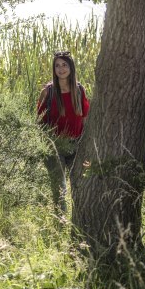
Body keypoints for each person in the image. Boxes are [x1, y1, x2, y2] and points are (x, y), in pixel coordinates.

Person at [37, 51, 89, 213]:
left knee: (79, 186)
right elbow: (39, 122)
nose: (61, 69)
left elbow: (85, 118)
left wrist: (85, 144)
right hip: (54, 146)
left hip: (76, 145)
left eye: (64, 65)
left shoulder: (79, 90)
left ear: (71, 67)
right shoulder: (48, 92)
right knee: (60, 189)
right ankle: (60, 223)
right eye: (57, 65)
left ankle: (80, 222)